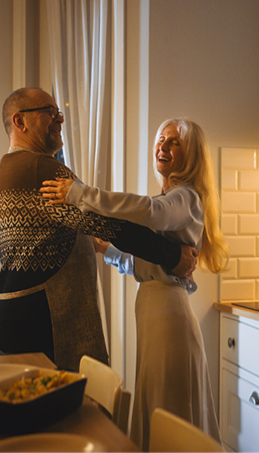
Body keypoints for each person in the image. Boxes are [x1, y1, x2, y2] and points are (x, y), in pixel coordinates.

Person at [41, 118, 229, 450]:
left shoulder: (186, 198)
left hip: (168, 317)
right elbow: (147, 262)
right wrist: (108, 250)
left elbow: (149, 211)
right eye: (161, 139)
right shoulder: (175, 198)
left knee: (164, 404)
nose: (163, 146)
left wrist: (80, 193)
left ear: (194, 156)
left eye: (174, 142)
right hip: (157, 310)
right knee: (159, 399)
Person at [0, 88, 197, 372]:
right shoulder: (42, 169)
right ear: (20, 122)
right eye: (49, 112)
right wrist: (172, 256)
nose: (59, 119)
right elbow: (110, 225)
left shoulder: (5, 171)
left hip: (12, 324)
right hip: (49, 326)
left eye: (59, 113)